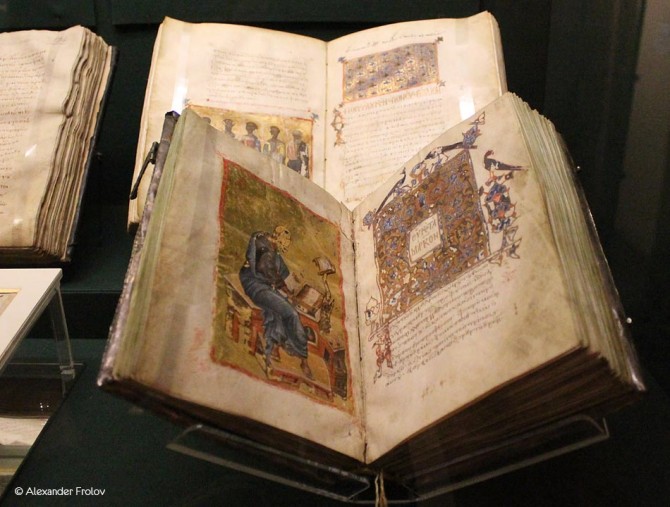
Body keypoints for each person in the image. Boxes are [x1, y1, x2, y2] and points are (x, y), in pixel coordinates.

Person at [239, 226, 312, 378]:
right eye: (285, 240)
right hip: (256, 285)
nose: (286, 244)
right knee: (291, 313)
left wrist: (295, 286)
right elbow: (267, 270)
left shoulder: (276, 253)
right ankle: (303, 357)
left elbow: (285, 275)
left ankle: (274, 347)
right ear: (278, 236)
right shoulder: (262, 243)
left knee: (280, 309)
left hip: (268, 287)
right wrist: (287, 292)